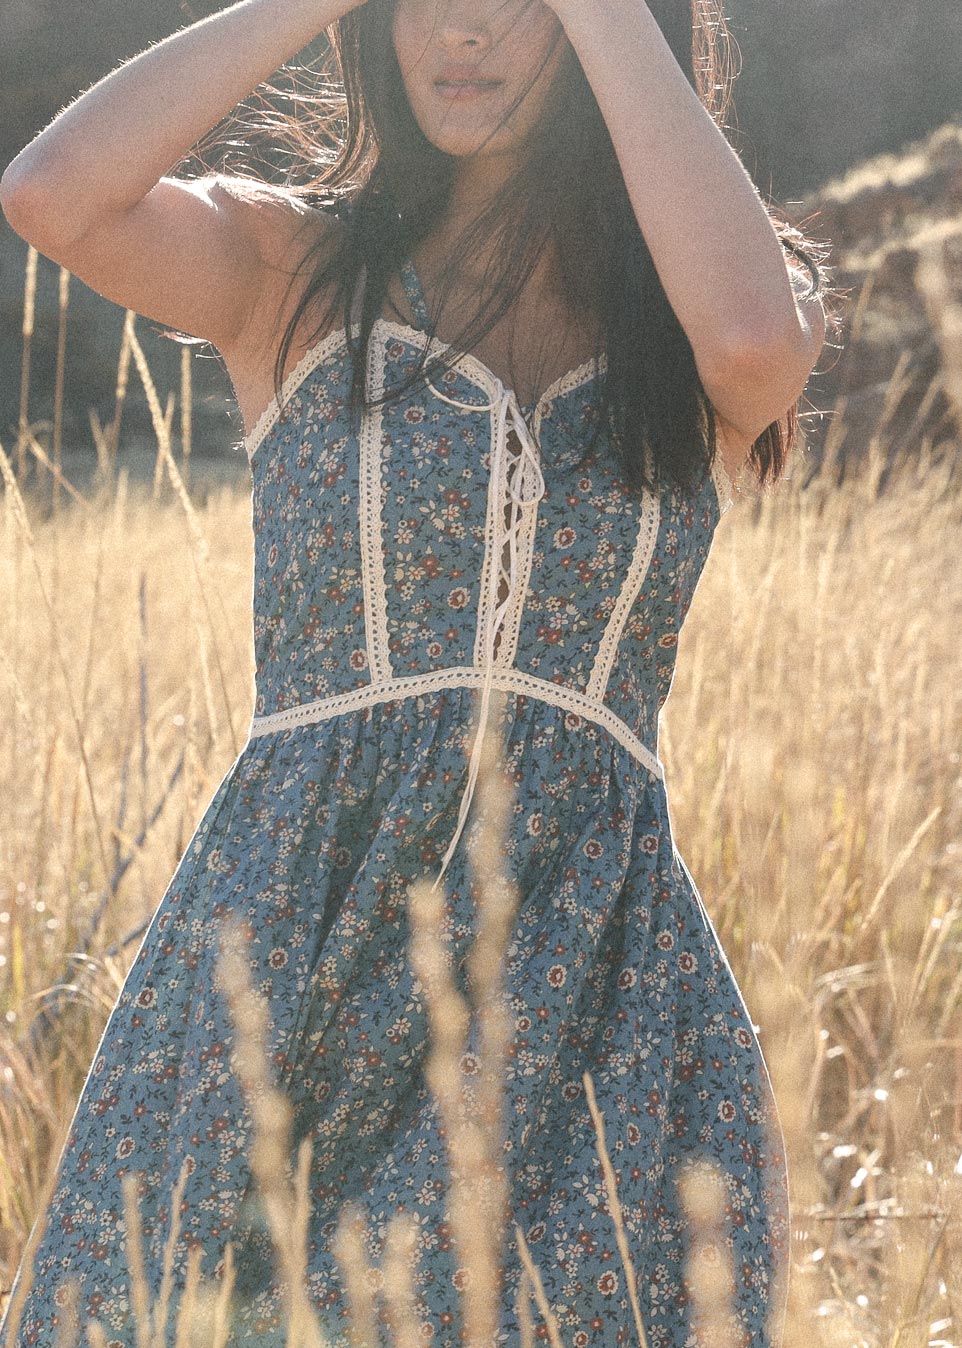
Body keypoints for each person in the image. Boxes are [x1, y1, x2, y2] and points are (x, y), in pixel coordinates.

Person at [0, 0, 838, 1344]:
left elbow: (751, 350)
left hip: (595, 979)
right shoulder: (292, 267)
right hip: (295, 935)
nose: (460, 31)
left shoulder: (688, 311)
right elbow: (51, 194)